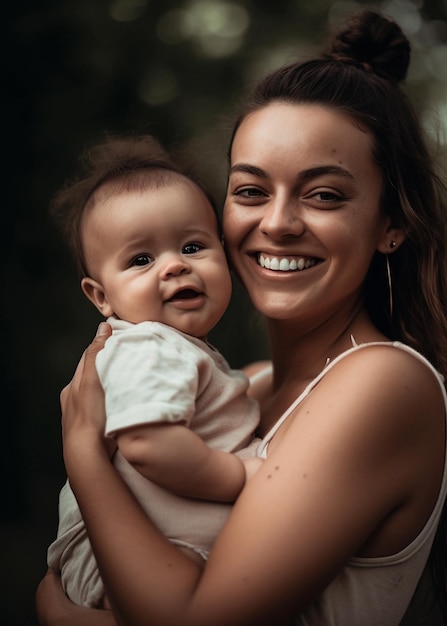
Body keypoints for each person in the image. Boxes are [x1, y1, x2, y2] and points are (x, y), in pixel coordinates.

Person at [37, 9, 447, 625]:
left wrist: (85, 461)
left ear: (392, 225)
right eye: (251, 190)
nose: (277, 223)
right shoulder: (240, 391)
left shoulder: (382, 383)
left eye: (324, 194)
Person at [45, 135, 262, 609]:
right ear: (100, 297)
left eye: (192, 245)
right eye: (141, 259)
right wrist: (239, 475)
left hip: (152, 553)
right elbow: (147, 441)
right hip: (115, 563)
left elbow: (214, 400)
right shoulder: (149, 345)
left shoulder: (174, 349)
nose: (173, 267)